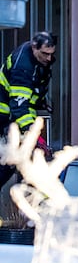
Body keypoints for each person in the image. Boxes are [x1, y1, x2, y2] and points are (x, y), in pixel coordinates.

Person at [0, 31, 57, 188]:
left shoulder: (37, 60)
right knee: (9, 159)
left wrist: (41, 101)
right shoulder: (23, 67)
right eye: (45, 54)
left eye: (51, 54)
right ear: (34, 48)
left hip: (14, 114)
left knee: (14, 159)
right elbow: (19, 105)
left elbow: (32, 90)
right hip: (5, 115)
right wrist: (33, 133)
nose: (49, 58)